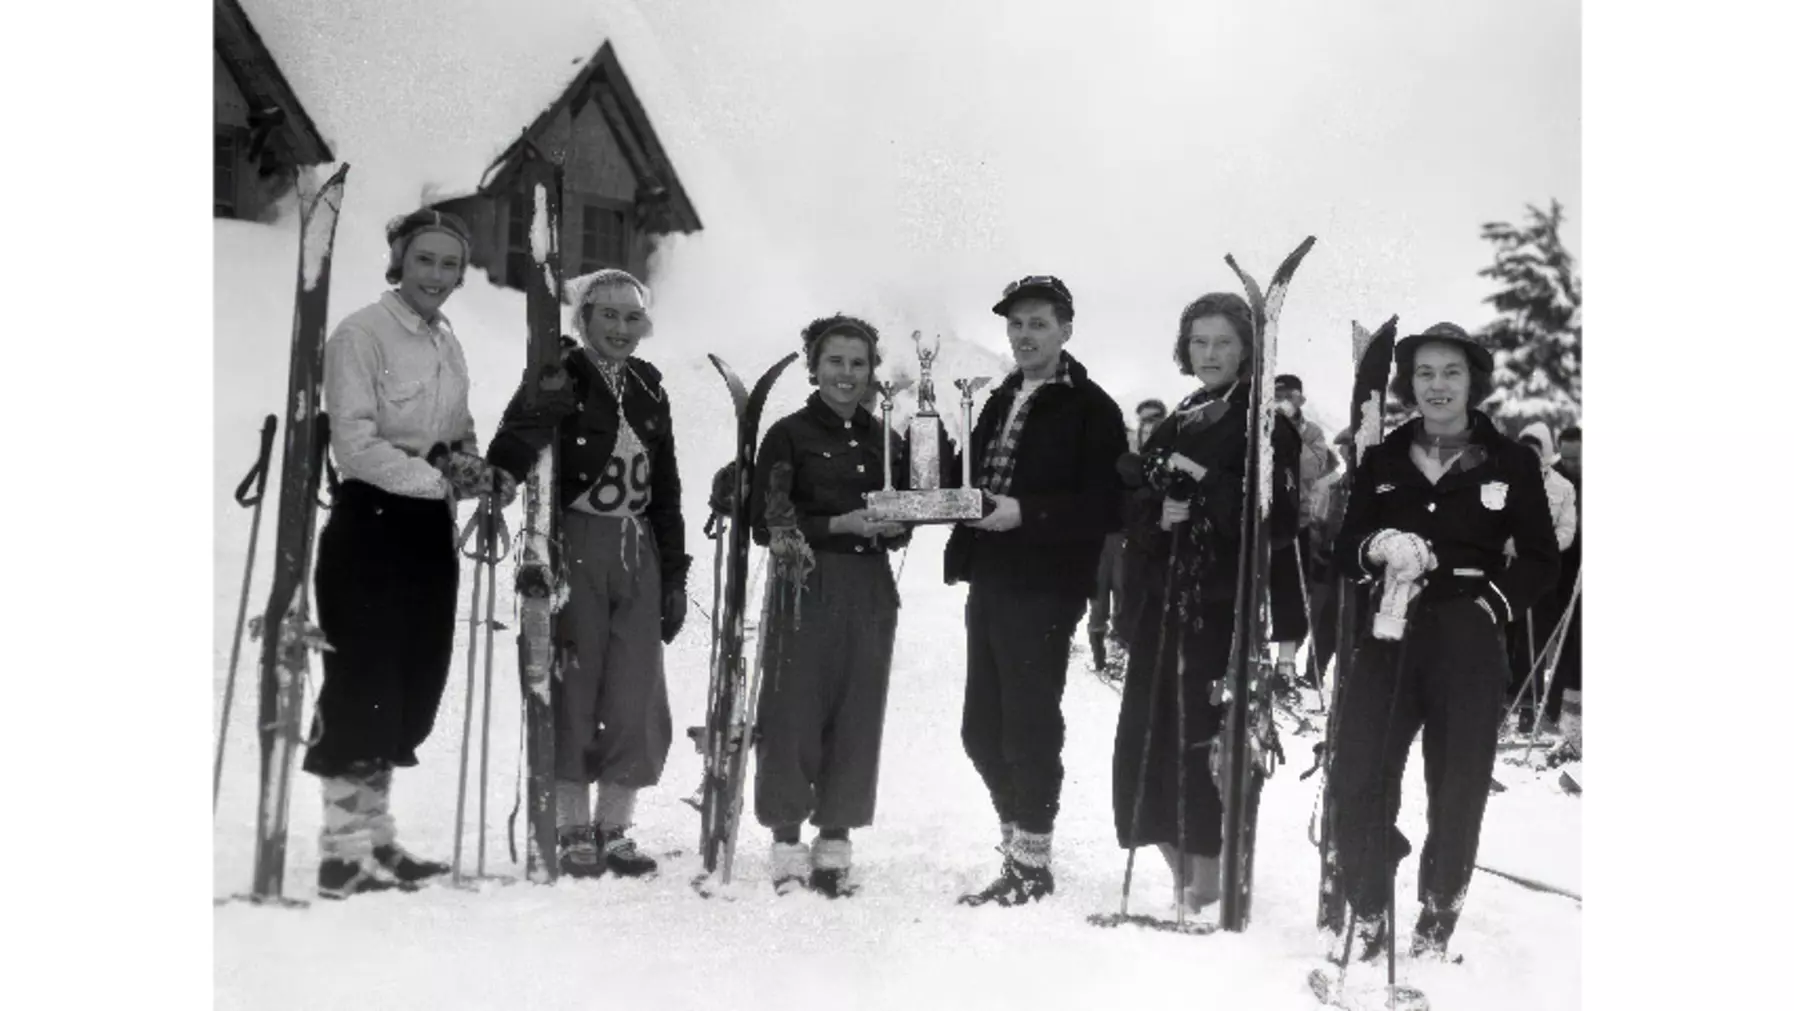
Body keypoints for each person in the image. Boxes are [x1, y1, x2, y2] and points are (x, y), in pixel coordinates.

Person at [1326, 322, 1559, 962]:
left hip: (1468, 637)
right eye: (1424, 373)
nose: (1437, 386)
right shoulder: (1383, 458)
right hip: (1390, 632)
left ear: (1472, 383)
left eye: (1451, 373)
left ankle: (1437, 916)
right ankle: (1369, 909)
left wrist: (1491, 605)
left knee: (1456, 789)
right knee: (1357, 776)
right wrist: (1375, 548)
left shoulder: (1510, 461)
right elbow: (1344, 550)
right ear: (1410, 383)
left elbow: (1541, 559)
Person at [303, 209, 512, 899]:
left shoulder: (448, 342)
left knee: (409, 682)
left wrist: (475, 471)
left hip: (427, 531)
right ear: (399, 259)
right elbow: (355, 444)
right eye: (426, 261)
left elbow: (456, 431)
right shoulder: (362, 334)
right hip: (373, 524)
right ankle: (342, 849)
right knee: (362, 679)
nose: (439, 277)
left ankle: (378, 840)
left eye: (450, 265)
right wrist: (439, 482)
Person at [486, 268, 690, 880]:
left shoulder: (649, 385)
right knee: (575, 678)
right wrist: (498, 478)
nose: (621, 328)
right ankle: (571, 825)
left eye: (632, 317)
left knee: (635, 687)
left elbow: (667, 485)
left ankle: (615, 828)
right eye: (608, 315)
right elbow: (519, 433)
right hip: (576, 538)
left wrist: (674, 570)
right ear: (585, 319)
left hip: (638, 545)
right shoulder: (564, 373)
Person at [1110, 292, 1301, 914]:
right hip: (1164, 607)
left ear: (1248, 347)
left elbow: (1276, 519)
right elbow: (1135, 506)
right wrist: (1158, 513)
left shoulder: (1266, 424)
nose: (1210, 353)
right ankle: (1179, 869)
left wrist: (1199, 482)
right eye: (1199, 341)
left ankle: (1211, 879)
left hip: (1224, 610)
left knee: (1204, 746)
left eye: (1223, 341)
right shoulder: (1182, 414)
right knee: (1148, 740)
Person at [942, 274, 1129, 906]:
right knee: (979, 728)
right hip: (990, 574)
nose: (1024, 336)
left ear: (1066, 329)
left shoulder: (1091, 407)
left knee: (1026, 722)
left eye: (1038, 324)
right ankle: (1016, 838)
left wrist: (1027, 512)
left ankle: (1031, 860)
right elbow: (964, 473)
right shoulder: (998, 397)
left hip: (1046, 583)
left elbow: (1108, 504)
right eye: (1016, 325)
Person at [748, 315, 916, 897]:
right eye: (836, 362)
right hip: (805, 583)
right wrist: (835, 523)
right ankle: (787, 842)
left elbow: (906, 515)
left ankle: (836, 841)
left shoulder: (885, 436)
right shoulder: (789, 434)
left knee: (856, 710)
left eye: (859, 363)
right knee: (793, 711)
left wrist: (896, 529)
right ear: (814, 366)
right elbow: (764, 521)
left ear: (872, 371)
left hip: (868, 586)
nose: (847, 374)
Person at [1269, 374, 1340, 695]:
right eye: (1277, 394)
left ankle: (1285, 664)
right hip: (1256, 520)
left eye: (1289, 394)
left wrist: (1286, 437)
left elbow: (1311, 466)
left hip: (1293, 520)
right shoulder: (1257, 427)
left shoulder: (1311, 432)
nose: (1283, 399)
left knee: (1291, 593)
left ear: (1300, 399)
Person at [1506, 422, 1579, 730]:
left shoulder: (1562, 486)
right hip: (1510, 569)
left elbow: (1567, 530)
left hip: (1549, 572)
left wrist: (1545, 545)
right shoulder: (1504, 480)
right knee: (1509, 636)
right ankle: (1504, 701)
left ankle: (1534, 706)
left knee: (1538, 638)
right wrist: (1509, 543)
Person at [1088, 398, 1169, 668]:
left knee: (1127, 591)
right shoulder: (1123, 452)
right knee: (1101, 591)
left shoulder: (1170, 454)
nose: (1149, 424)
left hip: (1143, 537)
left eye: (1155, 418)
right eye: (1144, 419)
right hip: (1113, 531)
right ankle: (1102, 648)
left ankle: (1119, 644)